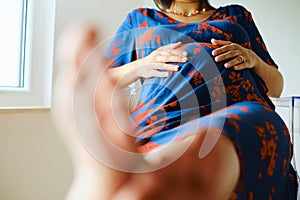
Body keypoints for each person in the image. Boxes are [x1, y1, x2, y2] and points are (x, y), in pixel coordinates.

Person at [52, 0, 298, 199]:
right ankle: (143, 179)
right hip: (162, 119)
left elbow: (276, 86)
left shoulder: (237, 15)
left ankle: (119, 183)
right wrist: (142, 65)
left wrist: (252, 59)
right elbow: (102, 81)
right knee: (194, 143)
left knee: (238, 126)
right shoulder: (140, 19)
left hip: (238, 106)